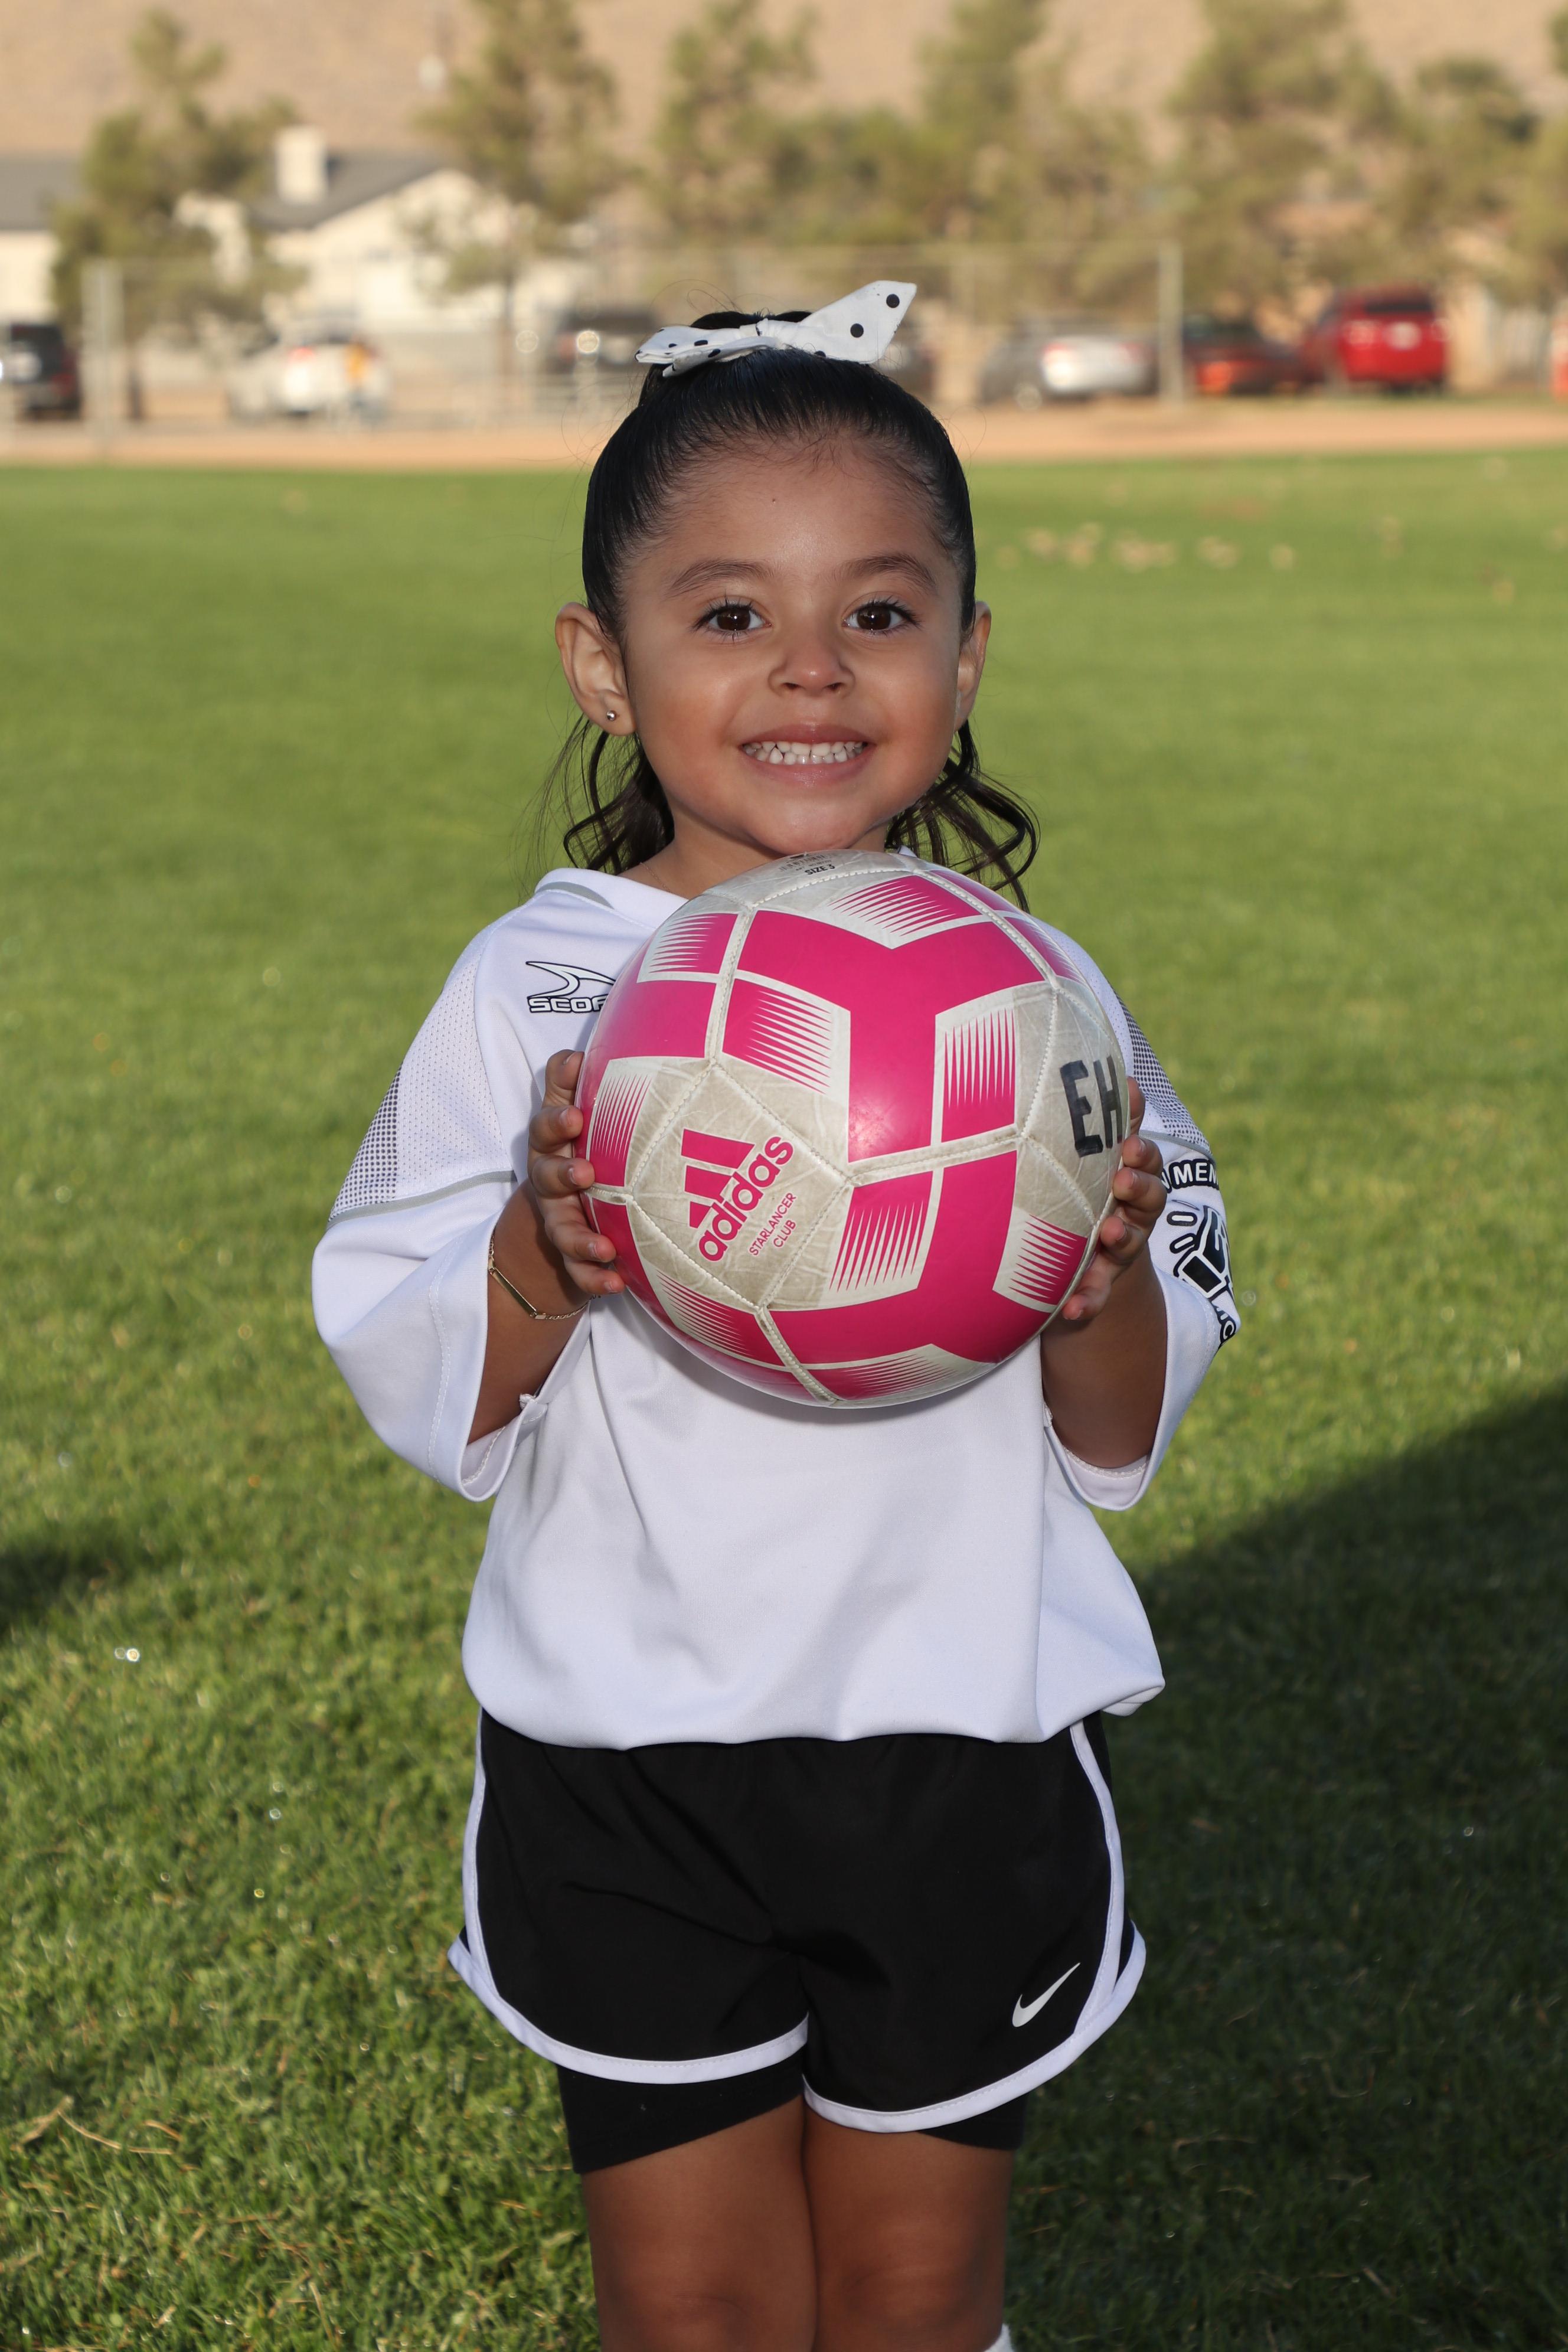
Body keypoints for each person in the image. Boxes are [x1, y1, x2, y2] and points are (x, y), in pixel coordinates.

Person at [313, 285, 1239, 2352]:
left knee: (911, 2301)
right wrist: (546, 1248)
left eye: (879, 614)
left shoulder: (1034, 1002)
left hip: (958, 1732)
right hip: (627, 1747)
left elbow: (1122, 1424)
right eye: (731, 614)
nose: (811, 668)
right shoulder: (536, 987)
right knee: (698, 2310)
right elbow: (421, 1361)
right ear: (603, 662)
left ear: (967, 656)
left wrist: (1089, 1278)